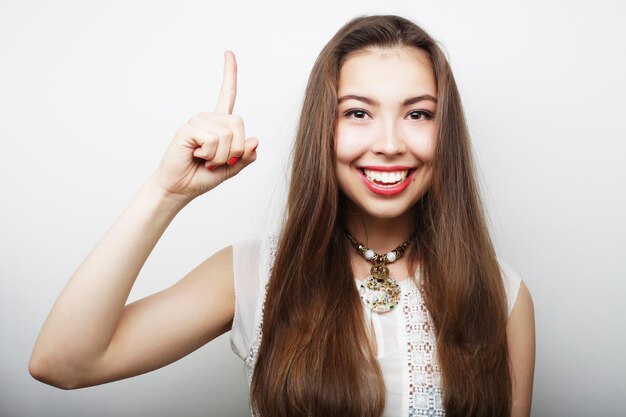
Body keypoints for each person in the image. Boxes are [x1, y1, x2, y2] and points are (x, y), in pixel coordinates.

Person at [29, 15, 535, 417]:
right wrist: (167, 192)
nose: (388, 144)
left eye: (418, 114)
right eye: (358, 112)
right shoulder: (255, 274)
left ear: (445, 132)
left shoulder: (502, 295)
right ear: (325, 127)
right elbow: (63, 362)